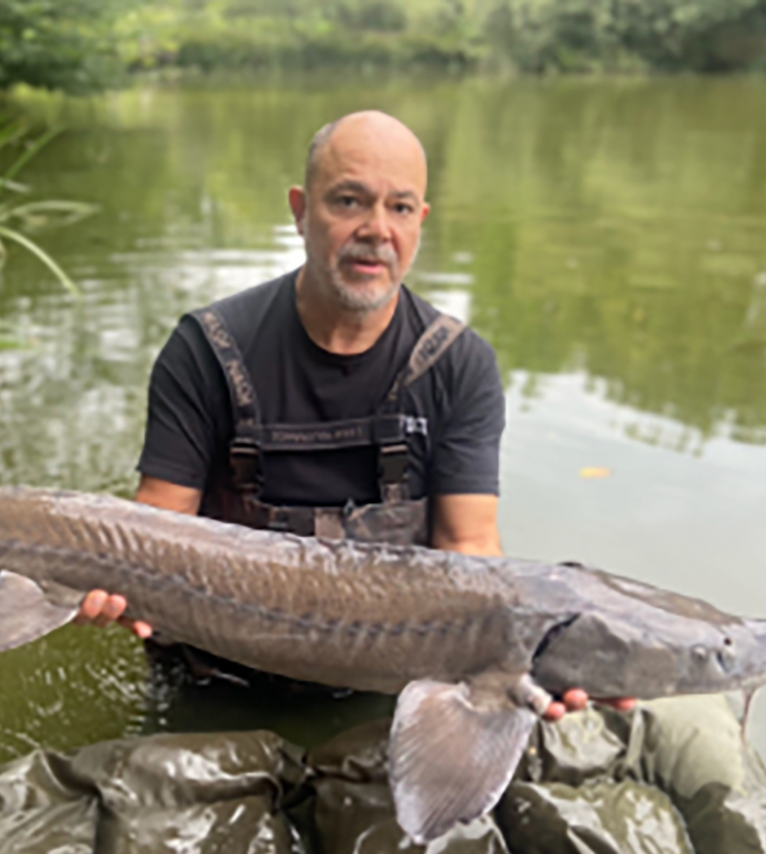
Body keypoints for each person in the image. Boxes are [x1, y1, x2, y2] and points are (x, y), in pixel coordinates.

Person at [76, 109, 632, 722]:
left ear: (420, 221)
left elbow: (468, 544)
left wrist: (530, 660)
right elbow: (157, 530)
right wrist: (107, 581)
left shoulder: (459, 364)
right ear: (300, 210)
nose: (377, 230)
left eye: (400, 208)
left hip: (387, 685)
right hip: (218, 676)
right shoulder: (206, 350)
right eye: (349, 201)